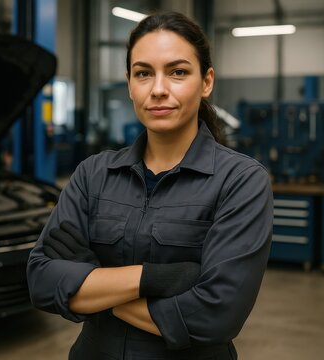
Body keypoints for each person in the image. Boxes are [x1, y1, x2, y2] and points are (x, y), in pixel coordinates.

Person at [27, 11, 273, 360]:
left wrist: (95, 280)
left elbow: (216, 316)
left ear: (206, 82)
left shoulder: (241, 181)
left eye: (177, 72)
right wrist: (156, 278)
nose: (158, 89)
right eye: (143, 73)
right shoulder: (92, 174)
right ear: (129, 82)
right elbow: (40, 281)